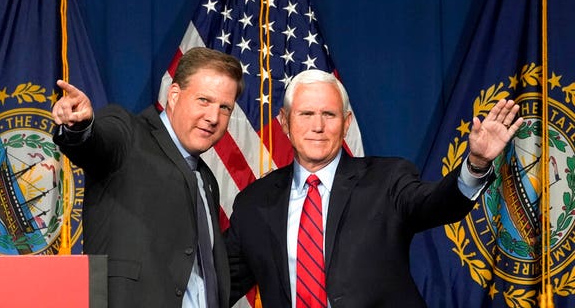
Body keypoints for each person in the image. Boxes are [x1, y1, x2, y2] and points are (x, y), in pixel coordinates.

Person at [225, 69, 523, 307]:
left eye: (329, 115)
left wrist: (476, 163)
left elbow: (437, 203)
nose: (318, 126)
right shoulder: (253, 203)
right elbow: (217, 284)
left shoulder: (388, 179)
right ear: (284, 123)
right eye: (305, 114)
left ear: (346, 123)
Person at [52, 47, 244, 308]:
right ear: (174, 95)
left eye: (225, 108)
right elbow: (98, 141)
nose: (213, 117)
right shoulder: (130, 134)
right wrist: (81, 127)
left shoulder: (206, 181)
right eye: (204, 101)